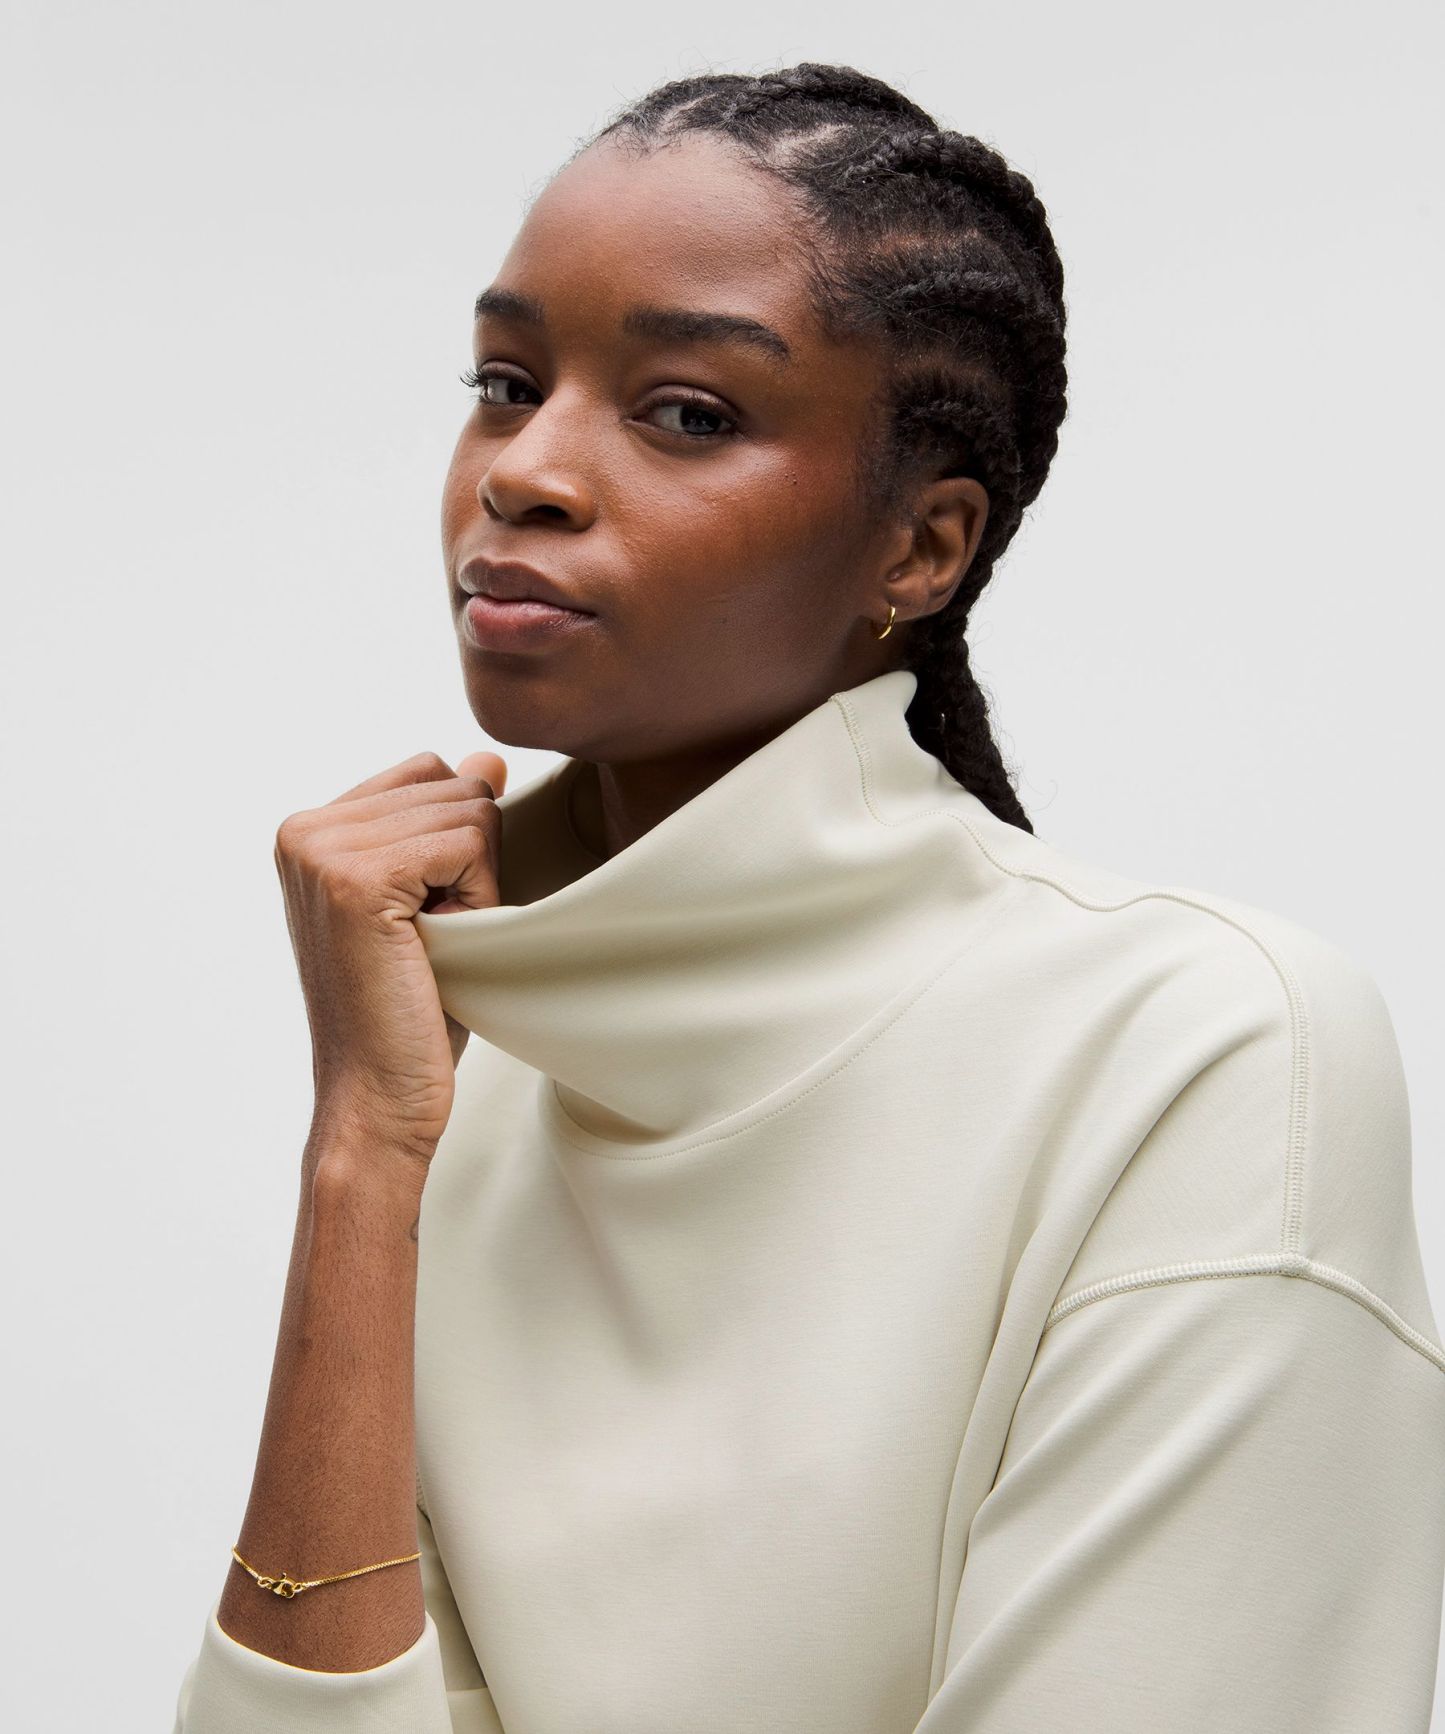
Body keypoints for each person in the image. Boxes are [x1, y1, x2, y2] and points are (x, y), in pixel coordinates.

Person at [171, 62, 1445, 1734]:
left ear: (919, 549)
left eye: (687, 412)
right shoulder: (448, 1096)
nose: (524, 469)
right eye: (504, 382)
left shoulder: (1197, 1059)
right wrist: (359, 1158)